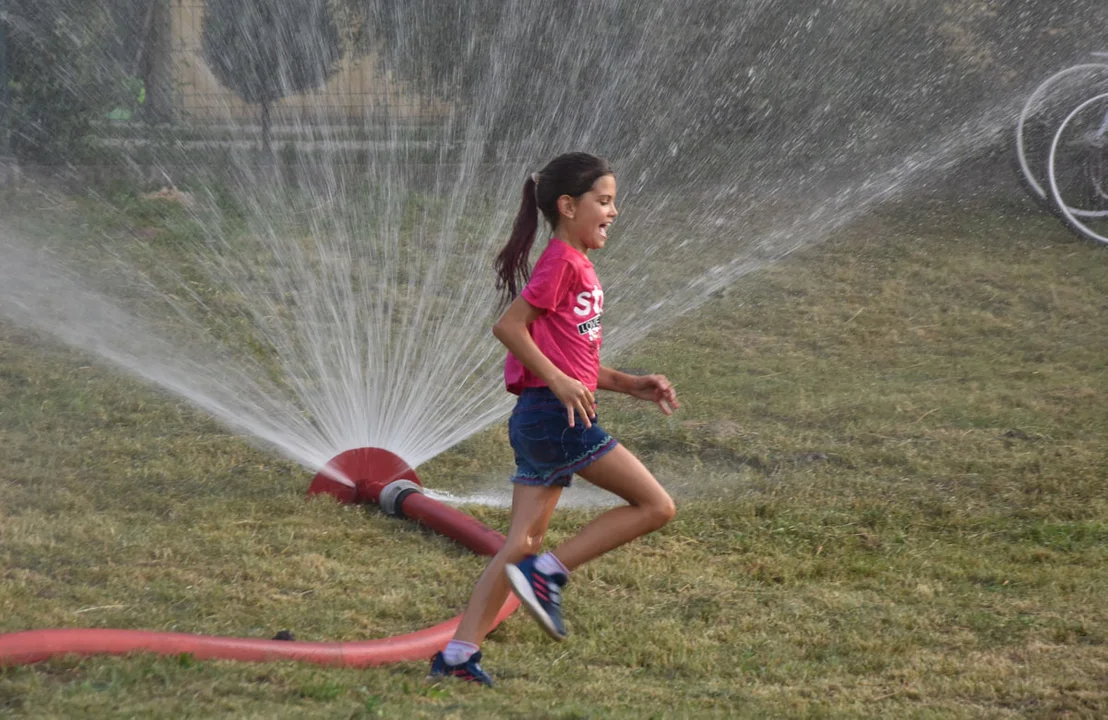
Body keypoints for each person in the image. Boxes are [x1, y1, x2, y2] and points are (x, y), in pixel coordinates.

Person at [428, 152, 679, 686]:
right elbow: (510, 327)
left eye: (614, 201)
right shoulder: (562, 262)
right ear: (568, 206)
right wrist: (561, 382)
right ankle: (549, 575)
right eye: (604, 201)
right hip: (554, 415)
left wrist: (631, 384)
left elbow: (575, 362)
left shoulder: (576, 266)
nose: (614, 211)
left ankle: (456, 657)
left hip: (543, 414)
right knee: (655, 505)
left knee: (519, 544)